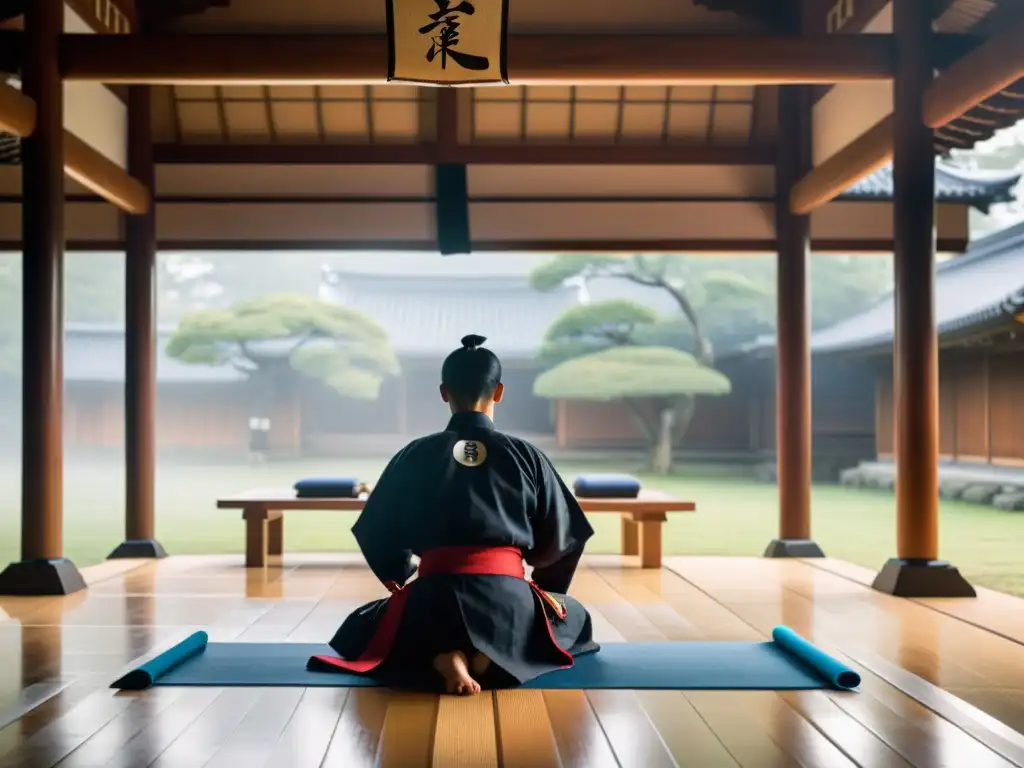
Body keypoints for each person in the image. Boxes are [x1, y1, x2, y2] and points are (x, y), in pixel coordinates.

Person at [309, 334, 599, 694]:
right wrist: (543, 588)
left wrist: (399, 573)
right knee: (577, 618)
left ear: (444, 392)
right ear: (499, 392)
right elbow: (565, 534)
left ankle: (443, 655)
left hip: (431, 596)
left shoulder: (413, 455)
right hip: (507, 603)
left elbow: (375, 529)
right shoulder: (526, 456)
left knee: (361, 624)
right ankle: (488, 658)